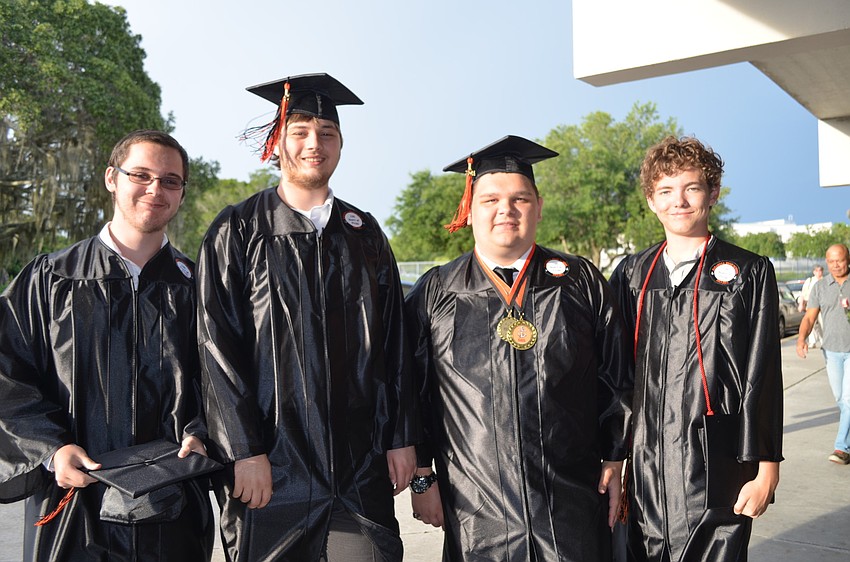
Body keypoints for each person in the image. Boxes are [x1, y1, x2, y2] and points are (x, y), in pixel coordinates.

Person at [197, 73, 419, 561]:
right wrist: (244, 450)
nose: (313, 144)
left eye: (327, 133)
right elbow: (216, 347)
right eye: (299, 131)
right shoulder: (237, 229)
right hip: (273, 470)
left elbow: (394, 343)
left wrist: (402, 438)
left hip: (359, 469)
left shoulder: (364, 233)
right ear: (277, 141)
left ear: (341, 143)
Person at [404, 135, 632, 561]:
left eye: (520, 199)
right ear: (469, 211)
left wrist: (615, 457)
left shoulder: (579, 281)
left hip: (571, 502)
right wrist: (422, 477)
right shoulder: (437, 290)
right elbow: (411, 390)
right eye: (490, 199)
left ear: (539, 207)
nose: (505, 210)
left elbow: (616, 378)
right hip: (477, 510)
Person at [0, 130, 214, 560]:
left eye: (171, 180)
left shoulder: (202, 289)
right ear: (112, 179)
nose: (156, 189)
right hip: (73, 506)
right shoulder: (51, 279)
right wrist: (50, 449)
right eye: (141, 174)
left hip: (171, 508)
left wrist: (203, 432)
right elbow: (8, 374)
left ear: (182, 193)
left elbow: (223, 383)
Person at [609, 136, 783, 562]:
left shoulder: (747, 272)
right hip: (647, 459)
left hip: (717, 459)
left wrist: (767, 469)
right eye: (666, 191)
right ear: (652, 200)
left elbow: (762, 372)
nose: (679, 202)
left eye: (692, 188)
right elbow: (615, 376)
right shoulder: (632, 275)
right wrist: (612, 456)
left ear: (713, 193)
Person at [796, 244, 850, 465]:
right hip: (831, 351)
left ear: (848, 259)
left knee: (848, 399)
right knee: (841, 399)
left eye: (840, 260)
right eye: (831, 261)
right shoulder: (820, 287)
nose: (835, 265)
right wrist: (802, 340)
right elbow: (809, 318)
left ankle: (841, 447)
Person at [799, 265, 824, 347]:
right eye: (817, 271)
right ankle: (812, 341)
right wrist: (801, 304)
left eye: (820, 271)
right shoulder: (809, 281)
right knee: (811, 323)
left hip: (822, 306)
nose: (819, 272)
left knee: (822, 324)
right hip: (810, 304)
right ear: (814, 272)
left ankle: (823, 341)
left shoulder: (825, 281)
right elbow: (803, 294)